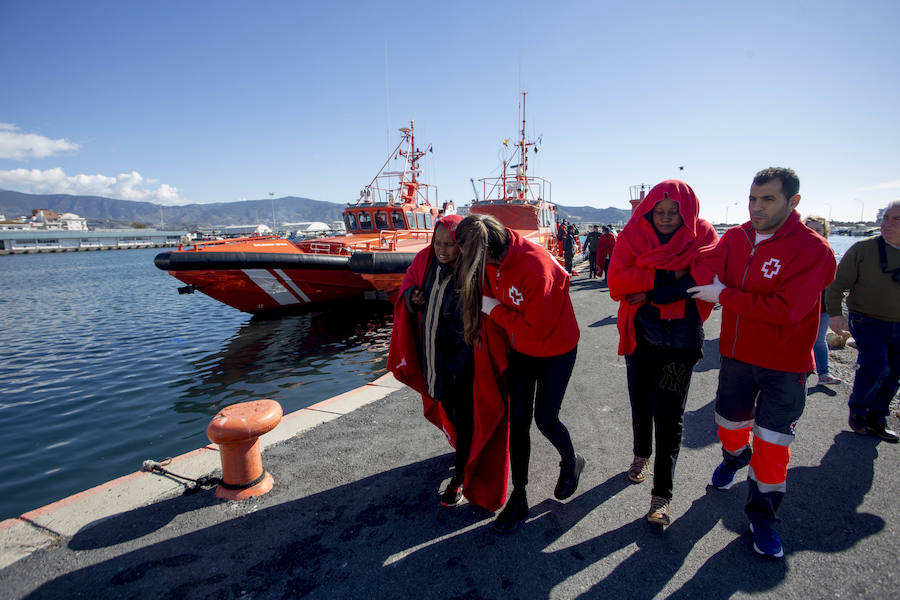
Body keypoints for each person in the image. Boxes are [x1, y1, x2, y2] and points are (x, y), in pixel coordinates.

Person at [688, 167, 836, 558]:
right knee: (729, 425)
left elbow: (786, 310)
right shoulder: (737, 237)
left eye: (768, 199)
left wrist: (724, 296)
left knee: (772, 444)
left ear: (793, 201)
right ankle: (735, 457)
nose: (756, 207)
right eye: (752, 198)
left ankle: (763, 518)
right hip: (737, 358)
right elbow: (702, 263)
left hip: (785, 366)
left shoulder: (814, 250)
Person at [454, 213, 584, 534]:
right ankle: (520, 494)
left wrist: (493, 309)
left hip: (555, 350)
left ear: (487, 252)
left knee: (546, 419)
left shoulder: (536, 267)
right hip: (521, 351)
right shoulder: (491, 255)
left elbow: (535, 330)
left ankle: (571, 461)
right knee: (519, 420)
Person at [608, 180, 719, 526]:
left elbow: (702, 281)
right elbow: (617, 281)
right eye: (660, 211)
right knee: (641, 403)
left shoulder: (703, 234)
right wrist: (672, 276)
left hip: (681, 342)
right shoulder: (632, 235)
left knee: (670, 416)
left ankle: (662, 495)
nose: (667, 217)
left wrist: (648, 290)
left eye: (675, 211)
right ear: (649, 211)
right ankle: (641, 453)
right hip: (641, 338)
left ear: (688, 212)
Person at [825, 201, 900, 443]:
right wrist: (835, 313)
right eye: (885, 218)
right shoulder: (863, 249)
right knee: (876, 366)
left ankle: (877, 418)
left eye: (896, 219)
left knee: (893, 374)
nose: (887, 224)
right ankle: (858, 411)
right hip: (867, 320)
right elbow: (837, 284)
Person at [804, 215, 841, 386]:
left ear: (825, 233)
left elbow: (835, 283)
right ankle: (798, 374)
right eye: (810, 228)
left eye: (818, 229)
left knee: (819, 340)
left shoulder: (828, 253)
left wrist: (836, 310)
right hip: (800, 307)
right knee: (799, 341)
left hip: (823, 307)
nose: (814, 232)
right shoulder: (796, 252)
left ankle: (824, 373)